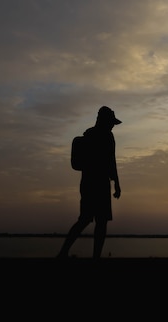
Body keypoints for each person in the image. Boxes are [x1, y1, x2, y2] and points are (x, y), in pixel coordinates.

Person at [58, 106, 122, 259]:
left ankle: (64, 253)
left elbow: (110, 162)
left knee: (87, 219)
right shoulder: (107, 137)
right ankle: (93, 257)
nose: (112, 125)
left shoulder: (89, 135)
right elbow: (111, 162)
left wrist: (116, 183)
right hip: (98, 184)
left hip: (88, 183)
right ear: (104, 121)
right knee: (99, 221)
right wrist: (117, 184)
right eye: (111, 122)